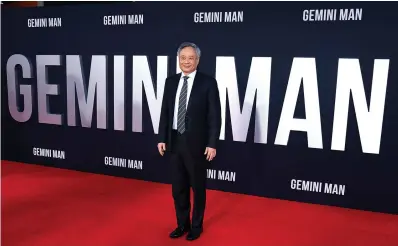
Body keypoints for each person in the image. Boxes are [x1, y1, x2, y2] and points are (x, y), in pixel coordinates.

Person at [157, 42, 221, 241]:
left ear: (198, 60)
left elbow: (214, 117)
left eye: (190, 58)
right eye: (183, 58)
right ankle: (181, 224)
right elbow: (165, 113)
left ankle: (196, 226)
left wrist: (212, 143)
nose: (186, 61)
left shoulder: (208, 83)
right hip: (175, 141)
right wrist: (161, 138)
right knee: (178, 188)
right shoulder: (170, 82)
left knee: (197, 187)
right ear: (178, 59)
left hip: (198, 145)